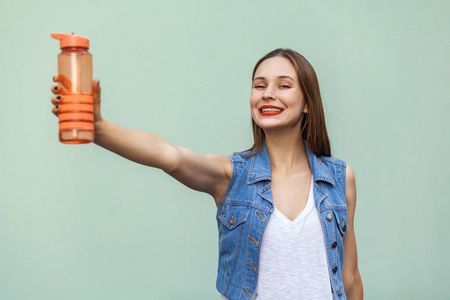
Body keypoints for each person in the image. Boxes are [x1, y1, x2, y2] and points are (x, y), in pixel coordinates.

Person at [50, 48, 363, 299]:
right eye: (259, 85)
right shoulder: (231, 175)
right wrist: (99, 128)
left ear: (308, 102)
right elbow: (169, 156)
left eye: (284, 85)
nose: (268, 93)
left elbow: (349, 279)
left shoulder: (339, 178)